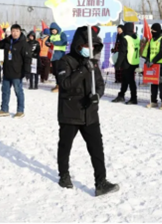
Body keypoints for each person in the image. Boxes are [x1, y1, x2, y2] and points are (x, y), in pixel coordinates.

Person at [56, 25, 119, 197]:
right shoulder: (65, 61)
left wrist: (97, 95)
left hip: (90, 113)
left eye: (91, 47)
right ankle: (64, 175)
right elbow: (66, 84)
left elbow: (100, 84)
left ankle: (101, 182)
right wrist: (84, 69)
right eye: (85, 46)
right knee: (65, 146)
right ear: (78, 45)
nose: (89, 50)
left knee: (97, 149)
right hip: (70, 112)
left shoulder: (93, 62)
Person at [0, 24, 31, 118]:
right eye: (13, 31)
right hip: (7, 71)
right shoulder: (7, 41)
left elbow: (28, 59)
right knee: (5, 91)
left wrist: (27, 71)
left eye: (17, 31)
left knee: (18, 92)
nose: (15, 33)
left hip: (17, 73)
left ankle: (20, 110)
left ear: (20, 32)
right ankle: (4, 109)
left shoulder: (24, 44)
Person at [143, 23, 162, 109]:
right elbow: (148, 51)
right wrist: (147, 60)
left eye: (154, 31)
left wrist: (154, 60)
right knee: (153, 83)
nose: (152, 32)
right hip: (152, 65)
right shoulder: (152, 40)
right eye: (151, 30)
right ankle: (153, 101)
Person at [112, 22, 139, 104]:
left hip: (127, 62)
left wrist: (117, 64)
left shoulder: (125, 38)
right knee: (125, 80)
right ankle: (121, 95)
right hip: (134, 61)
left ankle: (133, 98)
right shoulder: (136, 37)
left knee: (130, 81)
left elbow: (122, 53)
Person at [48, 22, 68, 93]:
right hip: (53, 55)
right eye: (52, 30)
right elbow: (48, 41)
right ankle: (57, 85)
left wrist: (54, 43)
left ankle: (61, 85)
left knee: (59, 71)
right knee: (55, 71)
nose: (53, 31)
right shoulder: (51, 36)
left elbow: (64, 41)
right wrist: (47, 43)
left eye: (54, 30)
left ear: (57, 29)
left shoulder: (62, 34)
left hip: (60, 54)